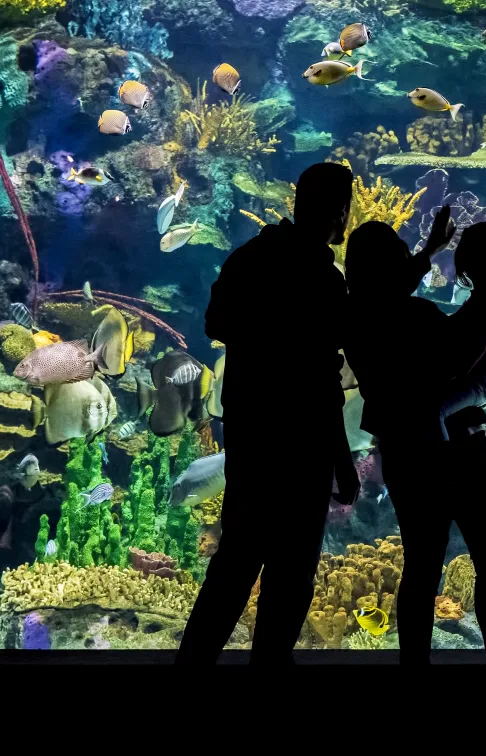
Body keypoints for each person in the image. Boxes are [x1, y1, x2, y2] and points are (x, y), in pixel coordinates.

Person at [176, 162, 360, 664]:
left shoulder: (248, 258)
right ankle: (269, 674)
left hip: (252, 436)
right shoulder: (324, 280)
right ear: (339, 212)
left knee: (236, 559)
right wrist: (343, 464)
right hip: (301, 447)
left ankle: (189, 669)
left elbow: (216, 322)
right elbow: (323, 383)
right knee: (292, 567)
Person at [345, 219, 486, 669]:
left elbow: (381, 295)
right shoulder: (414, 316)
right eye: (401, 255)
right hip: (457, 449)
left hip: (403, 455)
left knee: (421, 569)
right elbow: (456, 356)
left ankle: (414, 677)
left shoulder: (356, 321)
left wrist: (429, 251)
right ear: (391, 267)